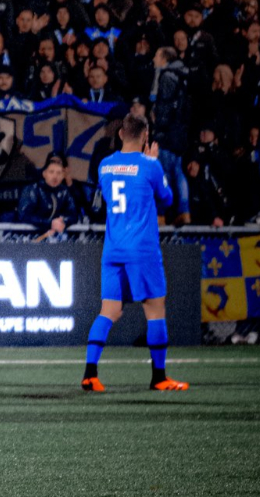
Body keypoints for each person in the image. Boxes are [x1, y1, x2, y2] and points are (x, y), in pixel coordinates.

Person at [83, 114, 188, 393]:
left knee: (109, 310)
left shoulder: (105, 166)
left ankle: (90, 374)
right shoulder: (149, 165)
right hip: (141, 248)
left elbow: (104, 199)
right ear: (145, 137)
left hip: (113, 248)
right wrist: (154, 163)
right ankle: (159, 377)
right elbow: (167, 200)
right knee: (155, 310)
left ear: (120, 135)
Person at [16, 154, 84, 237]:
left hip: (56, 237)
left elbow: (73, 213)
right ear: (44, 173)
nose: (55, 176)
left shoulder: (65, 192)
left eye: (59, 173)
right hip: (30, 237)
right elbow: (24, 215)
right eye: (51, 172)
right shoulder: (33, 189)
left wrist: (63, 221)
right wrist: (49, 223)